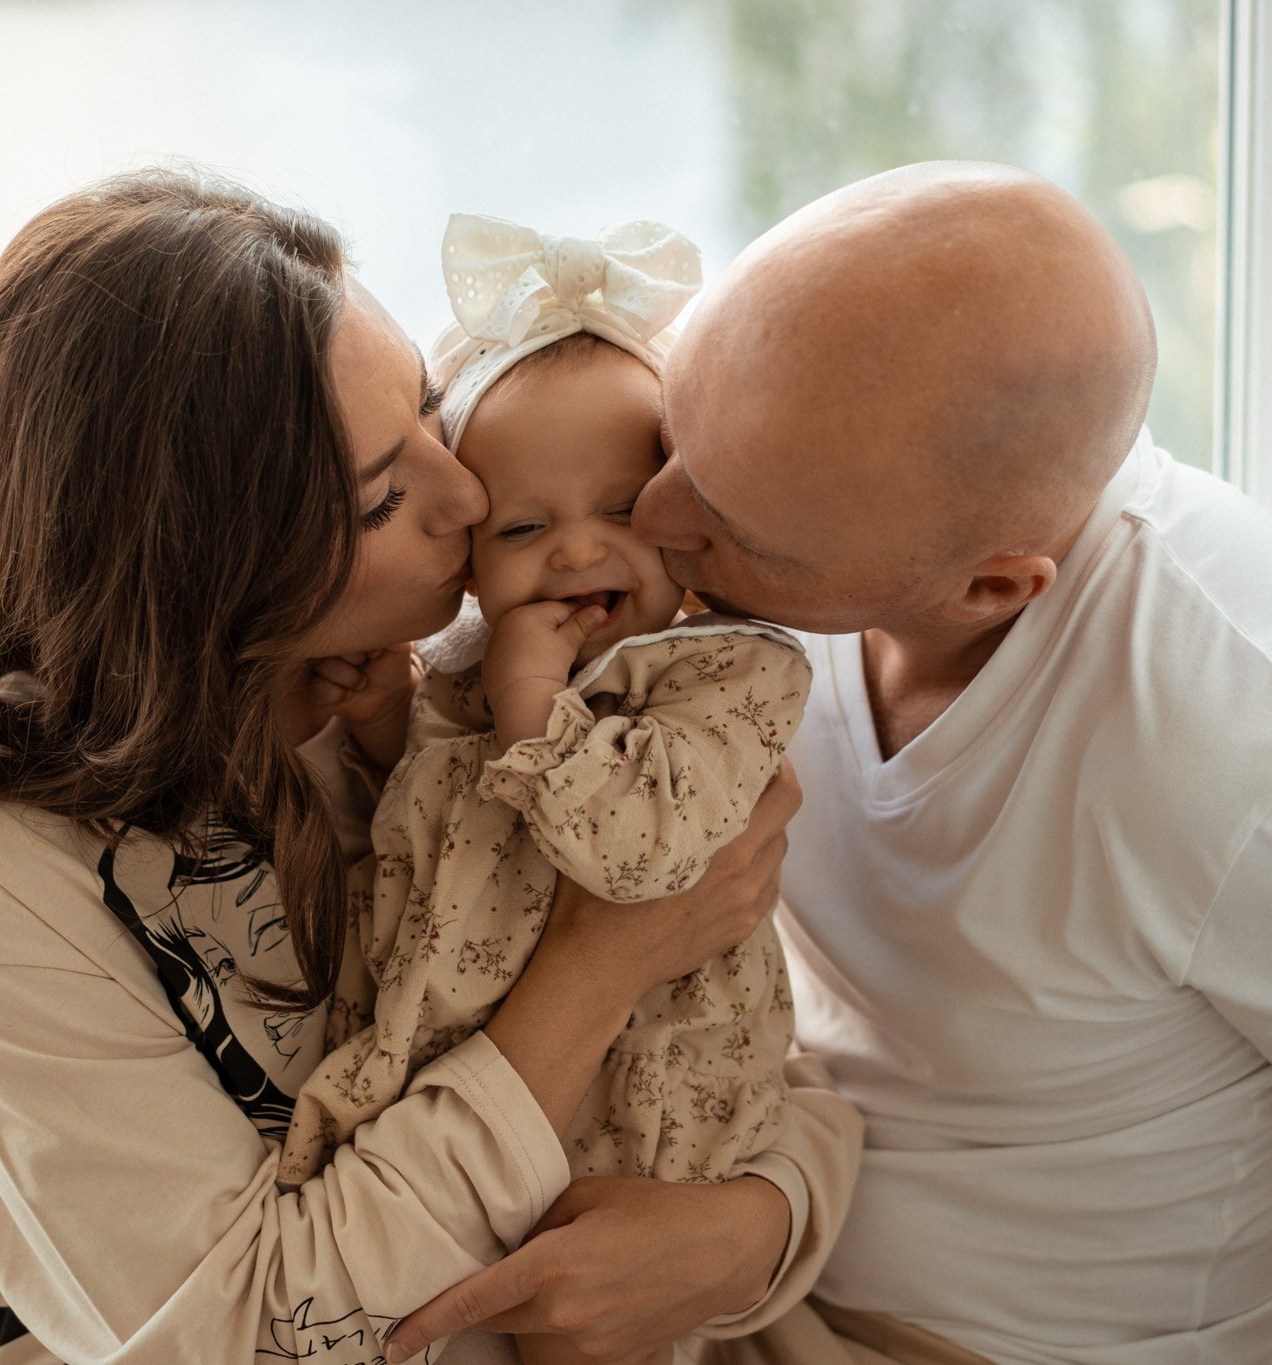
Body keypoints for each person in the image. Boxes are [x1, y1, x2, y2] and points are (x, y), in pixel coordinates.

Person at [0, 163, 1272, 1365]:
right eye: (679, 435)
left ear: (982, 582)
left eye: (718, 524)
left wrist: (751, 1224)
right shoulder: (704, 530)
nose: (628, 541)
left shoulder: (1256, 739)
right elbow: (96, 1019)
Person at [0, 168, 862, 1365]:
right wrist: (595, 966)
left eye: (430, 409)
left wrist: (750, 1228)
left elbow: (737, 1029)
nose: (468, 494)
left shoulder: (468, 681)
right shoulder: (4, 852)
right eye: (384, 496)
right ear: (203, 569)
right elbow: (244, 1328)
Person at [281, 210, 815, 1365]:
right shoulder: (476, 660)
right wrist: (384, 720)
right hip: (459, 1052)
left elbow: (644, 860)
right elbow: (421, 810)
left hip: (649, 1081)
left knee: (580, 1313)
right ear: (471, 550)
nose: (576, 553)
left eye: (621, 509)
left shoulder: (721, 672)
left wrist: (536, 710)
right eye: (524, 525)